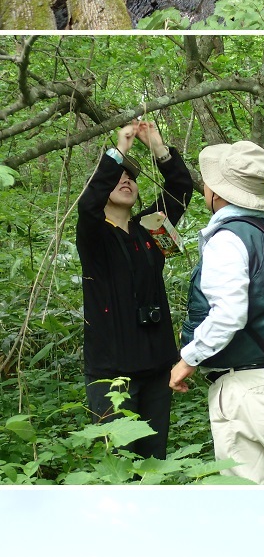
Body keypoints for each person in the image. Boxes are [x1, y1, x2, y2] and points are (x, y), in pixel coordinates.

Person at [169, 140, 264, 486]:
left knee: (247, 500)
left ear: (218, 192)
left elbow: (229, 314)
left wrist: (187, 360)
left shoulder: (228, 239)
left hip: (245, 388)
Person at [76, 120, 194, 460]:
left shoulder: (150, 230)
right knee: (120, 463)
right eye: (118, 176)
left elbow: (180, 187)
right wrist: (121, 148)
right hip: (113, 374)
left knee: (153, 464)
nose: (126, 180)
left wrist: (156, 144)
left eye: (131, 177)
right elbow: (87, 205)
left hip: (157, 369)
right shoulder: (95, 235)